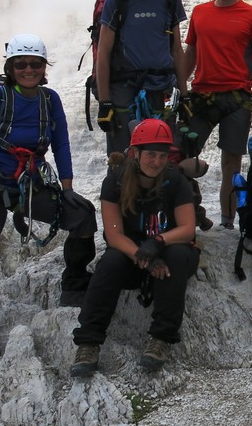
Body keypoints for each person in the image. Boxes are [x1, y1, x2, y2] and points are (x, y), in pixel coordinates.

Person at [0, 34, 94, 357]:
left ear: (44, 67)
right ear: (10, 68)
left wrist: (68, 189)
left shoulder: (50, 100)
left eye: (35, 64)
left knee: (83, 216)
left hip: (27, 186)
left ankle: (74, 286)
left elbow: (61, 144)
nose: (28, 69)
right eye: (21, 64)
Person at [70, 119, 201, 376]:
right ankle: (88, 342)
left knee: (175, 256)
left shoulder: (175, 180)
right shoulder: (115, 182)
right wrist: (145, 257)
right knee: (109, 264)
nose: (157, 161)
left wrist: (158, 242)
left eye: (162, 155)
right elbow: (114, 235)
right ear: (135, 153)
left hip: (170, 249)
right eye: (151, 154)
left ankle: (161, 339)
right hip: (133, 254)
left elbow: (187, 230)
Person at [183, 0, 252, 229]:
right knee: (181, 154)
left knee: (231, 163)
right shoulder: (199, 13)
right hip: (201, 96)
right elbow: (190, 54)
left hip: (237, 98)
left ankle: (227, 223)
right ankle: (188, 214)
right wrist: (178, 86)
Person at [95, 0, 187, 155]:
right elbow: (103, 53)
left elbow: (177, 50)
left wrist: (185, 96)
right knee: (123, 158)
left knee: (160, 158)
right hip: (124, 91)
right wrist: (105, 102)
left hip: (162, 90)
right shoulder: (117, 0)